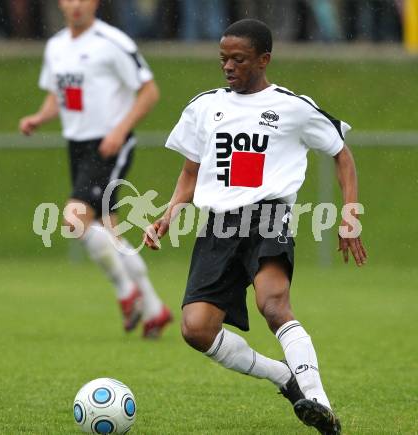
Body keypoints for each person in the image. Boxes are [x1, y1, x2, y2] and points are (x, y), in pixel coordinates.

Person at [144, 18, 367, 434]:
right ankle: (285, 378)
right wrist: (171, 210)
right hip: (218, 228)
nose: (228, 66)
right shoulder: (204, 106)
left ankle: (318, 400)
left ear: (264, 59)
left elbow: (342, 153)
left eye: (239, 59)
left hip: (268, 217)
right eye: (223, 58)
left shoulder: (291, 107)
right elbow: (191, 171)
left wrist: (349, 212)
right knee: (196, 329)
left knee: (273, 303)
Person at [19, 0, 172, 338]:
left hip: (109, 144)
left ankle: (126, 292)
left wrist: (119, 130)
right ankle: (154, 309)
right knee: (110, 234)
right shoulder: (56, 46)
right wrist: (39, 117)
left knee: (74, 221)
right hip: (77, 145)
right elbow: (57, 96)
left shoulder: (113, 42)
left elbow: (149, 92)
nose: (76, 5)